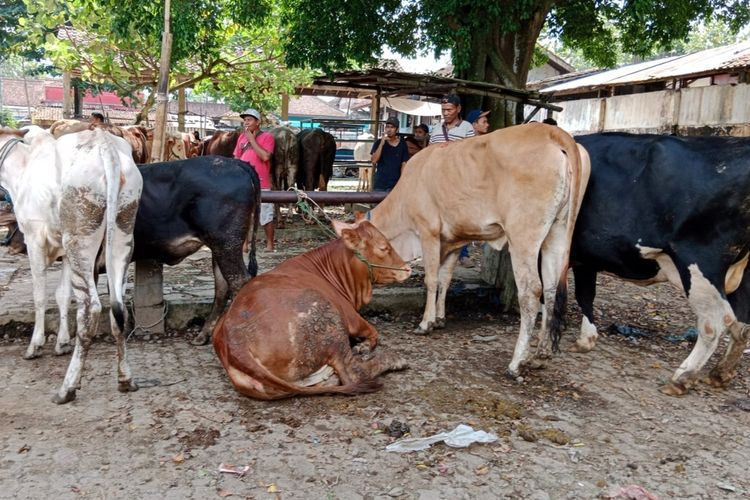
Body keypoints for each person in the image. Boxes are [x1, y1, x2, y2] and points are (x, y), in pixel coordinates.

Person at [233, 108, 276, 252]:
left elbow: (265, 157)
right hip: (243, 182)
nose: (246, 122)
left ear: (258, 122)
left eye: (249, 120)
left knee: (266, 214)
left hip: (261, 181)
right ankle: (244, 244)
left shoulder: (267, 137)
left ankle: (270, 244)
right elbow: (236, 158)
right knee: (244, 214)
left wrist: (252, 139)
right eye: (245, 120)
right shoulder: (241, 138)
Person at [370, 117, 410, 192]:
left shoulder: (402, 144)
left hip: (395, 184)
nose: (389, 129)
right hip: (380, 184)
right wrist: (382, 143)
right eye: (387, 127)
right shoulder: (378, 142)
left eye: (392, 127)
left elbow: (404, 163)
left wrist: (402, 180)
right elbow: (374, 160)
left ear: (397, 129)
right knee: (378, 203)